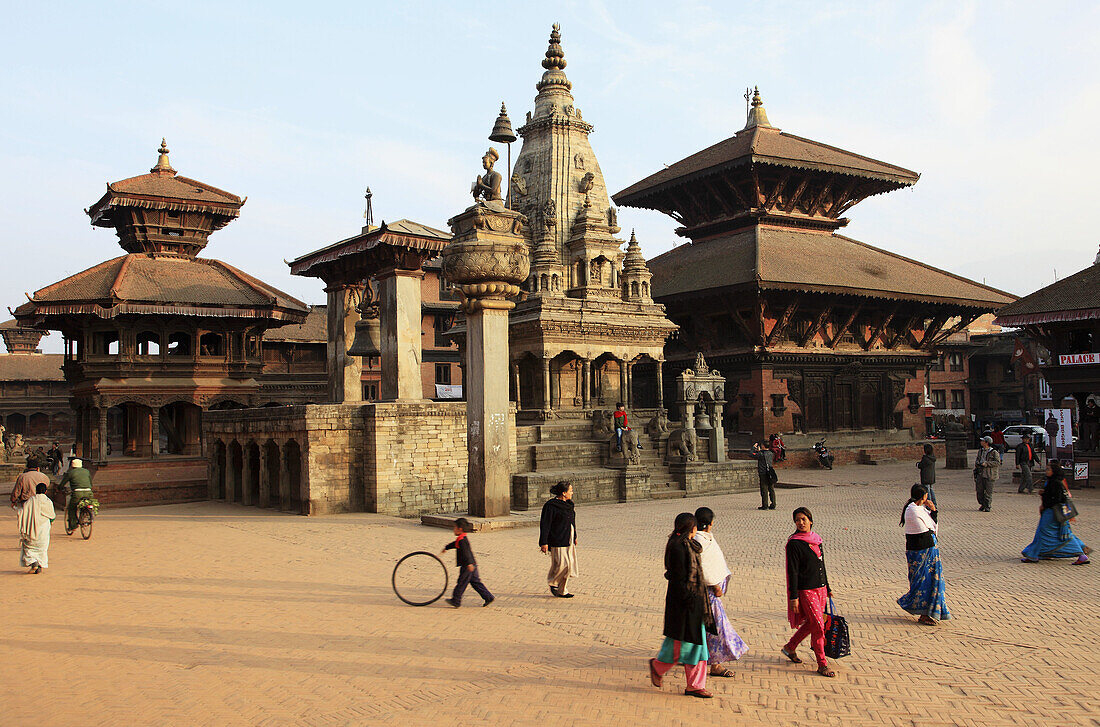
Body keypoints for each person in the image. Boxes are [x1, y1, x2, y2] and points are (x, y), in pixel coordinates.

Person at [647, 512, 714, 699]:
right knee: (682, 645)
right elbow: (678, 579)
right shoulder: (678, 548)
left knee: (697, 646)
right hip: (684, 604)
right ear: (691, 528)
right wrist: (690, 600)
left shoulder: (689, 545)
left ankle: (694, 685)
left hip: (695, 602)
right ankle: (659, 667)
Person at [692, 507, 748, 678]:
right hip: (707, 593)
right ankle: (715, 664)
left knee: (701, 628)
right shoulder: (700, 541)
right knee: (716, 628)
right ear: (710, 524)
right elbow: (705, 567)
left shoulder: (700, 538)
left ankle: (688, 657)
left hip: (701, 593)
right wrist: (715, 584)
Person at [781, 507, 835, 678]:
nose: (801, 522)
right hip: (806, 590)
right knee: (819, 625)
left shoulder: (817, 540)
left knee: (813, 623)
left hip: (820, 588)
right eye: (798, 520)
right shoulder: (794, 544)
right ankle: (822, 663)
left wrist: (828, 586)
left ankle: (790, 647)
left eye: (804, 519)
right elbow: (793, 571)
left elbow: (822, 565)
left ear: (811, 520)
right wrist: (794, 596)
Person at [896, 485, 951, 625]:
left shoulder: (919, 509)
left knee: (932, 581)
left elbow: (931, 525)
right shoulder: (913, 510)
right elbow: (927, 530)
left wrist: (933, 511)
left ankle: (928, 612)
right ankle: (922, 612)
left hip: (927, 549)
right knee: (924, 582)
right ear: (923, 496)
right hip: (922, 551)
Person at [1021, 462, 1091, 565]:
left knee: (1047, 534)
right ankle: (1036, 554)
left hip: (1052, 513)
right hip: (1050, 513)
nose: (1047, 471)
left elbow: (1057, 499)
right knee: (1048, 534)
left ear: (1054, 471)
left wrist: (1045, 501)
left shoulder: (1056, 483)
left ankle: (1081, 554)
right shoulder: (1051, 481)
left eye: (1049, 469)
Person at [441, 517, 494, 607]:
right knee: (476, 582)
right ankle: (488, 597)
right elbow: (454, 544)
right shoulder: (461, 538)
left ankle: (456, 600)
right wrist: (446, 548)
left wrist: (469, 564)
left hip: (468, 566)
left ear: (460, 529)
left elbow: (466, 553)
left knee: (461, 582)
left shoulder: (462, 541)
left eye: (455, 528)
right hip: (472, 565)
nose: (453, 530)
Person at [539, 481, 578, 598]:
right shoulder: (551, 506)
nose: (572, 492)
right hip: (557, 539)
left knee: (569, 565)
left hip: (568, 538)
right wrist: (544, 542)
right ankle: (553, 582)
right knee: (561, 564)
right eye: (570, 490)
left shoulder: (569, 505)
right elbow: (545, 524)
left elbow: (572, 521)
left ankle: (562, 590)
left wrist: (575, 535)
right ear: (564, 493)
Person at [16, 482, 56, 574]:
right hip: (44, 528)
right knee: (42, 548)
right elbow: (52, 516)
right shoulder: (48, 501)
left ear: (35, 491)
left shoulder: (30, 501)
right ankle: (40, 565)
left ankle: (34, 563)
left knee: (29, 547)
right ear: (45, 491)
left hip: (31, 529)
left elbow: (23, 512)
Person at [59, 458, 94, 533]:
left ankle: (73, 526)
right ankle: (87, 514)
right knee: (88, 503)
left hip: (77, 493)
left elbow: (63, 483)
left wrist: (60, 488)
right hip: (89, 492)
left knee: (72, 508)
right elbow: (90, 483)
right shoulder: (86, 471)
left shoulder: (70, 473)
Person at [973, 436, 1000, 512]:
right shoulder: (981, 451)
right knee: (979, 491)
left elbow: (997, 462)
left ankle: (987, 505)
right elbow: (977, 459)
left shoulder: (994, 452)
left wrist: (987, 464)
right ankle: (982, 503)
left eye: (983, 441)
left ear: (986, 443)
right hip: (981, 473)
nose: (981, 442)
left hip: (989, 474)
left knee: (988, 491)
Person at [752, 443, 776, 511]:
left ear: (763, 446)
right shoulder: (771, 453)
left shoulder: (761, 454)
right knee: (771, 488)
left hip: (763, 473)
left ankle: (765, 505)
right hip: (770, 472)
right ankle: (773, 504)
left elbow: (751, 454)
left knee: (764, 489)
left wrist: (754, 448)